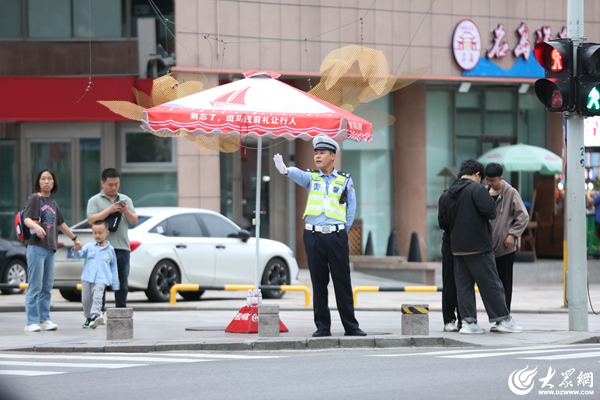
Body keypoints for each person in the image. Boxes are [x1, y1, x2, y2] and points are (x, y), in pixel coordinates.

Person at [273, 136, 366, 337]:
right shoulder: (311, 177)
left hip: (336, 236)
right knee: (318, 282)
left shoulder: (345, 179)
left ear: (333, 156)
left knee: (342, 282)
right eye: (316, 152)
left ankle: (351, 326)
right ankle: (323, 327)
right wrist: (286, 170)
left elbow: (351, 208)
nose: (317, 156)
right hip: (313, 236)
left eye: (322, 153)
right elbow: (298, 174)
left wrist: (341, 229)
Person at [439, 158, 522, 334]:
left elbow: (443, 222)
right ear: (477, 174)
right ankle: (504, 320)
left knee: (464, 285)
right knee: (491, 283)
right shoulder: (476, 189)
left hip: (457, 247)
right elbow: (491, 211)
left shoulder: (446, 194)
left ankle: (468, 322)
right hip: (479, 245)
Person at [23, 169, 82, 332]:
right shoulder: (35, 199)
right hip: (36, 247)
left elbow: (62, 225)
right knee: (35, 285)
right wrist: (36, 226)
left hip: (50, 248)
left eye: (50, 179)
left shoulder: (53, 204)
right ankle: (31, 322)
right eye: (43, 179)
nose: (47, 181)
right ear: (39, 182)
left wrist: (75, 239)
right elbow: (26, 219)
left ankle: (44, 319)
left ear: (54, 182)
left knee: (47, 286)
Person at [87, 168, 137, 309]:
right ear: (102, 183)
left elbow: (134, 220)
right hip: (102, 249)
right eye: (110, 184)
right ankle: (99, 313)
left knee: (122, 284)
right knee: (100, 283)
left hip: (122, 248)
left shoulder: (125, 200)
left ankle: (121, 313)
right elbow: (91, 220)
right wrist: (109, 210)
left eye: (116, 184)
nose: (114, 187)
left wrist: (125, 210)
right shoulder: (94, 200)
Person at [485, 163, 528, 323]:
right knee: (491, 285)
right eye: (487, 180)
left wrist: (513, 235)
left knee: (504, 284)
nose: (489, 183)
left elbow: (523, 216)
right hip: (486, 248)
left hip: (505, 247)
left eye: (493, 180)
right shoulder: (483, 192)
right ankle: (496, 316)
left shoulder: (511, 193)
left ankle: (504, 317)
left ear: (501, 178)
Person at [69, 220, 119, 329]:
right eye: (95, 232)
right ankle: (88, 318)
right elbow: (78, 255)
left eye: (100, 233)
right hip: (87, 278)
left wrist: (115, 283)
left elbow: (113, 267)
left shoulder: (110, 250)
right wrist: (76, 249)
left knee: (97, 297)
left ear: (107, 233)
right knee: (86, 300)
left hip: (102, 279)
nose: (97, 235)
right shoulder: (88, 246)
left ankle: (95, 316)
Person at [438, 189, 461, 332]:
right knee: (449, 282)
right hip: (451, 243)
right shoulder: (446, 196)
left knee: (463, 283)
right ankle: (449, 319)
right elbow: (442, 222)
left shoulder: (473, 194)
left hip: (462, 243)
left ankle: (464, 319)